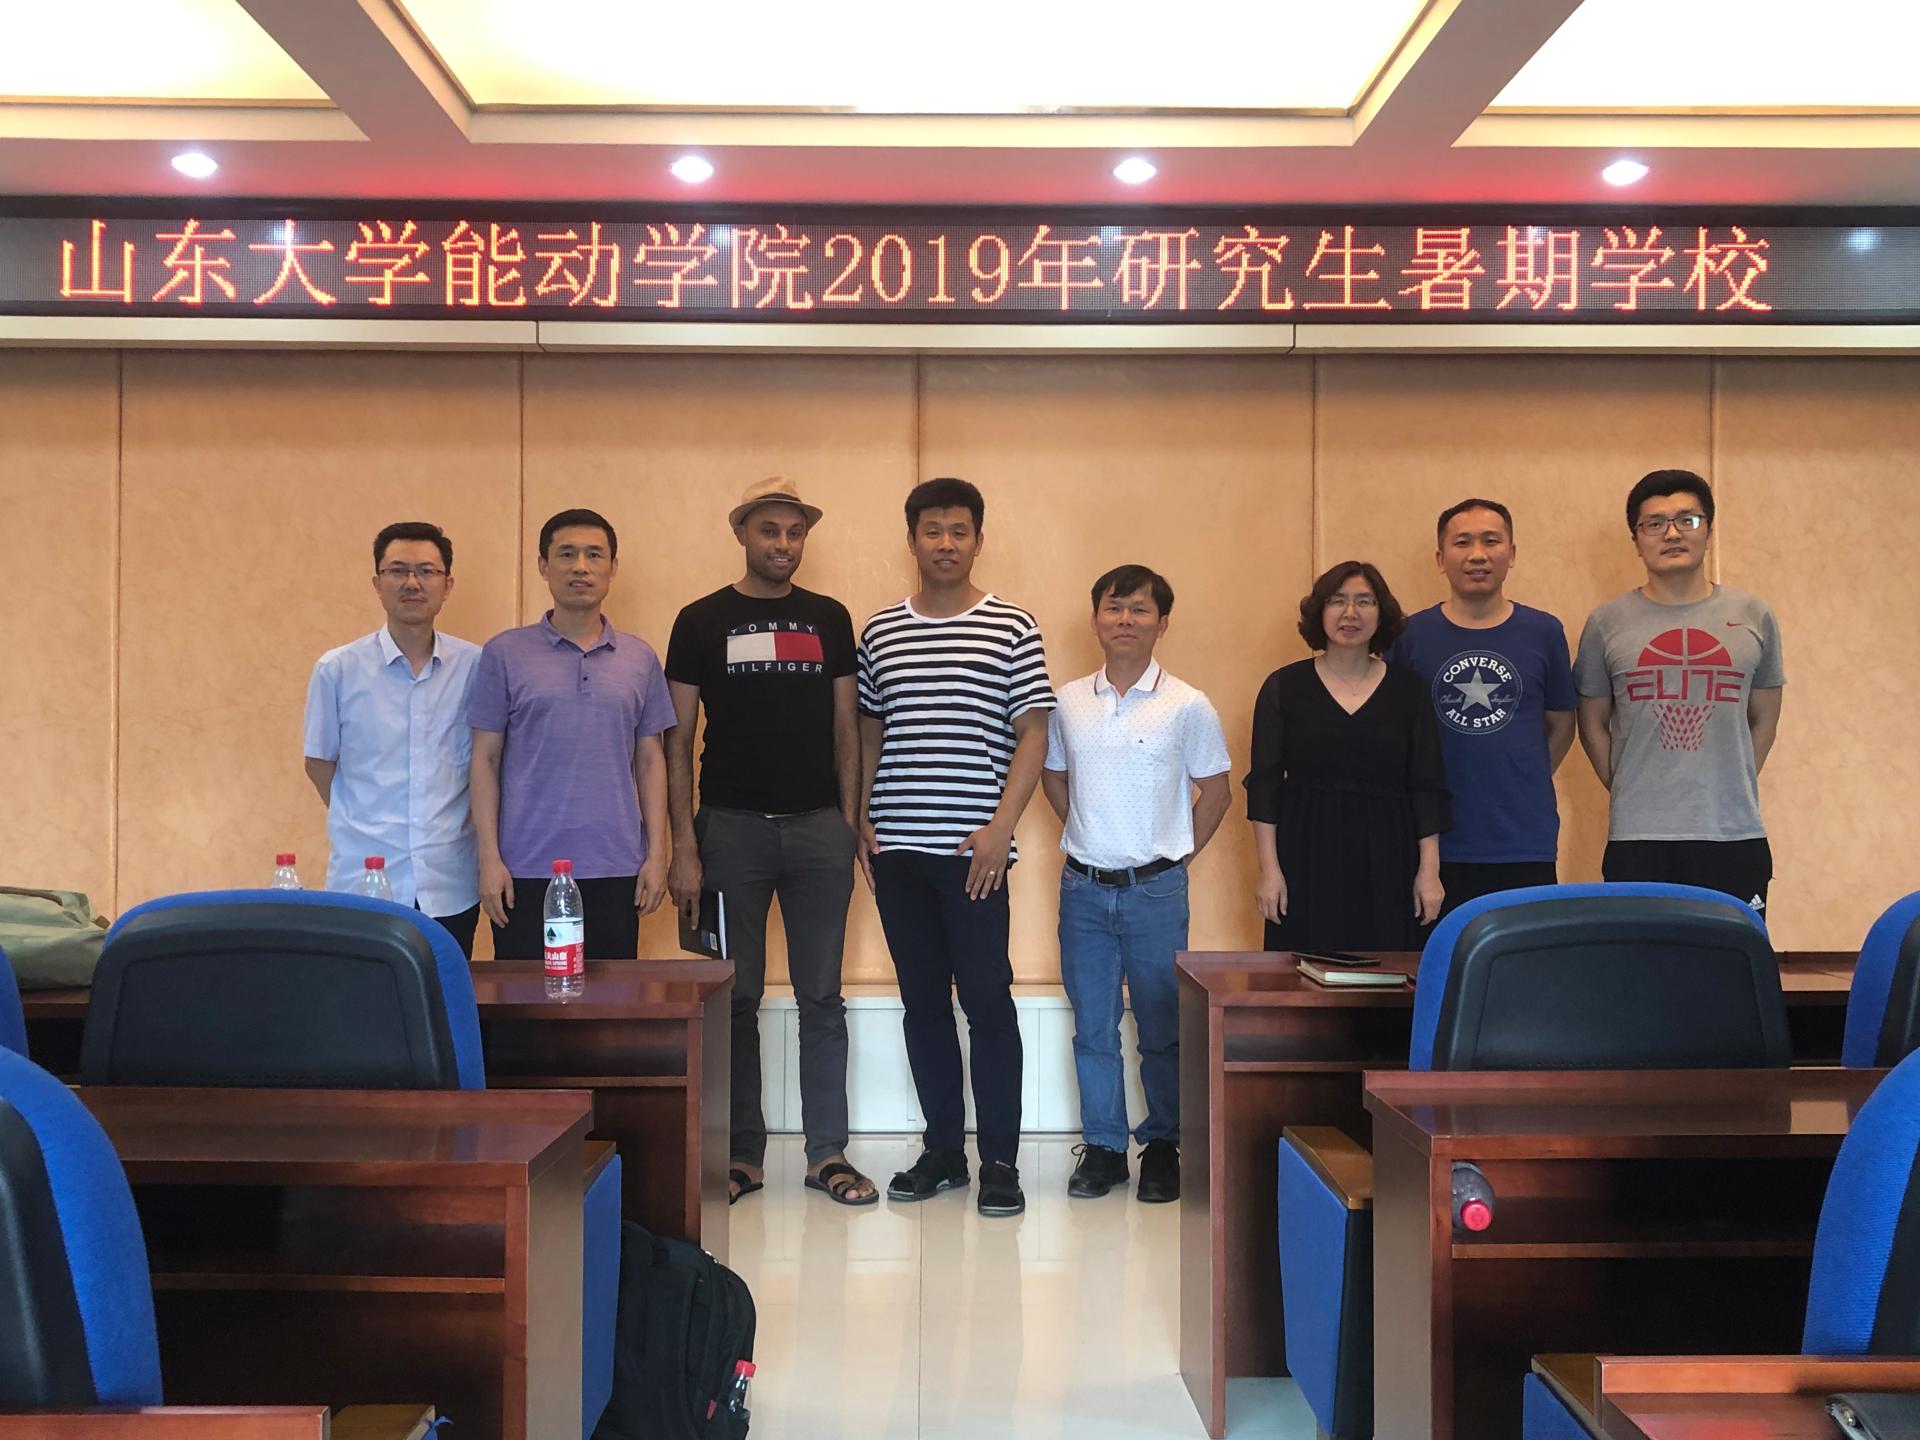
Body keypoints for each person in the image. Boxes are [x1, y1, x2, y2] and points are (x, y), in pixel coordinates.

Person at [664, 477, 872, 1208]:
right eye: (769, 530)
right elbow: (678, 740)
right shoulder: (700, 620)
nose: (783, 544)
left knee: (822, 998)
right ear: (742, 535)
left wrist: (847, 822)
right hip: (730, 831)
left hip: (819, 831)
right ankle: (739, 1155)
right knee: (735, 998)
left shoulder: (829, 617)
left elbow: (847, 730)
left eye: (794, 532)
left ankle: (827, 1154)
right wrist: (683, 845)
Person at [857, 477, 1054, 1218]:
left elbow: (1033, 732)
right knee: (922, 1003)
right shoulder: (881, 631)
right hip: (897, 847)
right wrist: (860, 817)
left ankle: (1000, 1160)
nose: (945, 542)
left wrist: (1002, 829)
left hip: (975, 852)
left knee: (986, 1000)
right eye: (932, 530)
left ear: (978, 540)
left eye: (959, 530)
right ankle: (943, 1150)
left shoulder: (1011, 625)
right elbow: (870, 731)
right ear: (912, 540)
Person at [1042, 564, 1231, 1204]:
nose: (1125, 619)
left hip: (1156, 892)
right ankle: (1102, 1148)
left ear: (1162, 623)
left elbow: (1217, 792)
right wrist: (1085, 830)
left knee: (1162, 1027)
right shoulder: (1067, 701)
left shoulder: (1188, 704)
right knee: (1093, 1025)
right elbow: (1053, 776)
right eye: (1114, 607)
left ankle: (1163, 1146)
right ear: (1096, 619)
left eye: (1140, 609)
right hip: (1083, 889)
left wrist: (1176, 860)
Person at [1575, 469, 1785, 912]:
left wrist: (1733, 778)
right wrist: (1626, 783)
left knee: (1730, 953)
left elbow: (1764, 716)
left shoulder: (1754, 614)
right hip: (1638, 835)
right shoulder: (1605, 623)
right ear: (1636, 540)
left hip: (1733, 832)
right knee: (1641, 953)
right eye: (1654, 523)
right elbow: (1591, 723)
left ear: (1709, 530)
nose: (1672, 533)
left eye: (1687, 520)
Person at [469, 508, 674, 958]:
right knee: (526, 1000)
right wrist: (489, 859)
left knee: (612, 1000)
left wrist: (657, 856)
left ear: (612, 568)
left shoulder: (639, 658)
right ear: (543, 566)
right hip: (525, 868)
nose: (580, 566)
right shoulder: (504, 653)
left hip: (617, 866)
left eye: (594, 555)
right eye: (566, 554)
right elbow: (484, 759)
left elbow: (650, 760)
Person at [1247, 561, 1450, 952]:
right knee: (1301, 971)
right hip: (1305, 852)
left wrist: (1430, 871)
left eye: (1365, 601)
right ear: (1319, 611)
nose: (1350, 613)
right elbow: (1265, 786)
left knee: (1388, 971)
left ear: (1381, 613)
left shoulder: (1409, 690)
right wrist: (1269, 871)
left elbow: (1427, 784)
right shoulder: (1283, 686)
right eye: (1337, 601)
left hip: (1390, 852)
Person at [1387, 499, 1576, 913]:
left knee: (1523, 953)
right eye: (1462, 543)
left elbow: (1562, 723)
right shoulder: (1408, 635)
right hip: (1434, 843)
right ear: (1441, 559)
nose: (1477, 554)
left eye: (1491, 541)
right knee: (1437, 954)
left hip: (1523, 840)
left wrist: (1523, 776)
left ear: (1512, 553)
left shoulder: (1544, 631)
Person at [302, 522, 483, 954]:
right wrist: (364, 820)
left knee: (443, 992)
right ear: (377, 584)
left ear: (447, 585)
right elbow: (319, 762)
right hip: (364, 877)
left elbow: (488, 763)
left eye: (427, 571)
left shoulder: (476, 667)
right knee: (362, 994)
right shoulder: (337, 669)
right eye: (398, 570)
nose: (412, 583)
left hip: (450, 880)